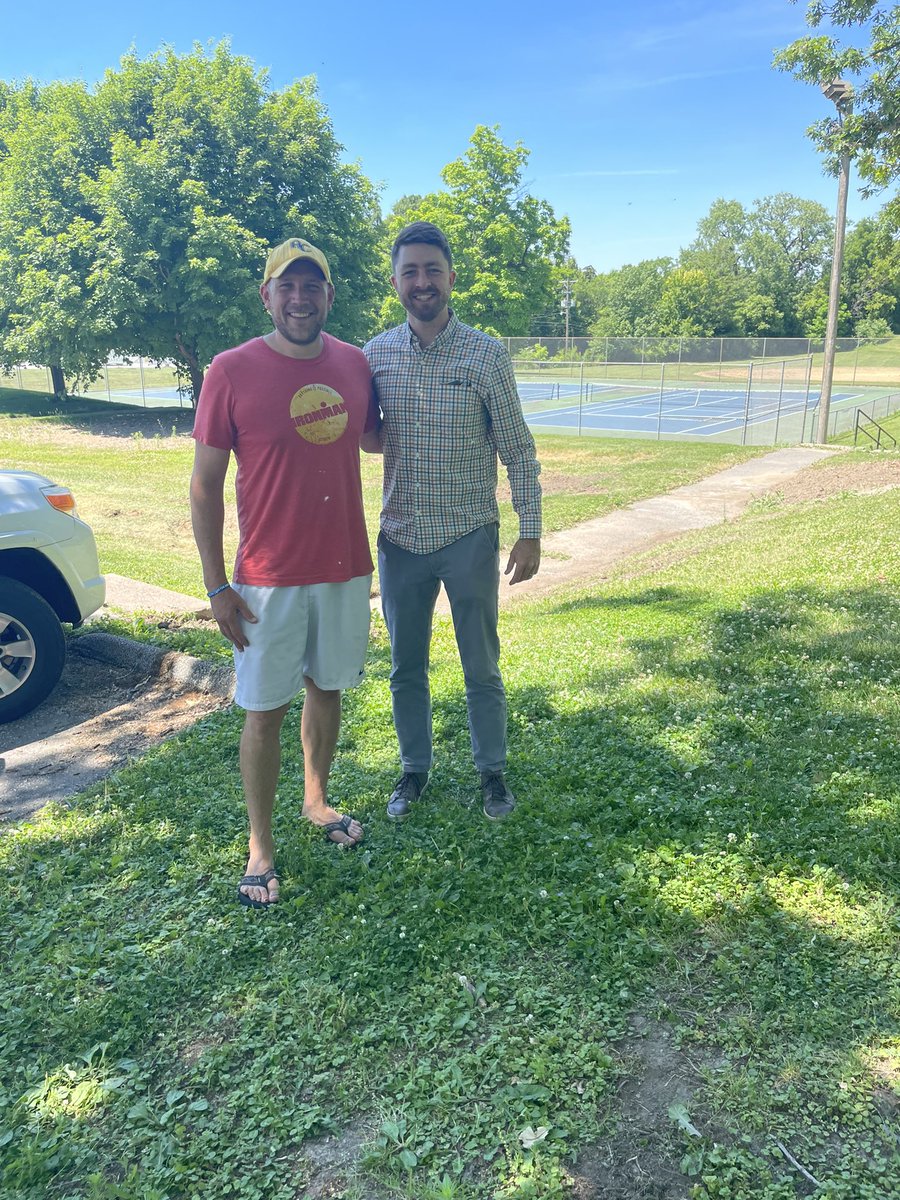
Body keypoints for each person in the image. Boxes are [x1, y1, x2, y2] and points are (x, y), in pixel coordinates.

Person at [191, 237, 378, 909]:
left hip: (344, 566)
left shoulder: (357, 365)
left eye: (312, 286)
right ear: (266, 295)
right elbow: (206, 487)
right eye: (286, 286)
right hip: (265, 576)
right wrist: (217, 586)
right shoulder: (230, 371)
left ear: (330, 295)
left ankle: (316, 801)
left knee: (328, 690)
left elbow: (382, 435)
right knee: (263, 710)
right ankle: (260, 847)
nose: (300, 298)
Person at [364, 221, 541, 824]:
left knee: (480, 665)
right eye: (410, 271)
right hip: (400, 540)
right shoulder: (375, 355)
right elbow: (362, 434)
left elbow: (517, 448)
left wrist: (531, 529)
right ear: (395, 283)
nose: (422, 282)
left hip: (469, 534)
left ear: (450, 278)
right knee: (404, 667)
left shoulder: (487, 355)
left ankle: (492, 772)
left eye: (431, 270)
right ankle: (414, 771)